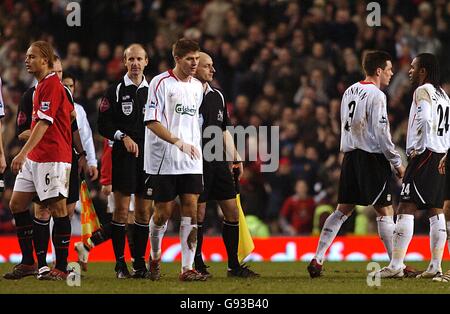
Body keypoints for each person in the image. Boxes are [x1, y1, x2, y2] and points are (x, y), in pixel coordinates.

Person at [307, 51, 405, 278]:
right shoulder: (378, 95)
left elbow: (346, 124)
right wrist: (397, 162)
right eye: (389, 69)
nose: (391, 73)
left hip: (350, 156)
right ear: (379, 70)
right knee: (385, 210)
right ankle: (396, 266)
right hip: (371, 157)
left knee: (343, 209)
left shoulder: (349, 90)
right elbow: (382, 133)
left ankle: (318, 257)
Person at [10, 57, 90, 279]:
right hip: (37, 158)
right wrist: (40, 134)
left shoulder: (60, 90)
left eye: (62, 72)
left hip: (58, 158)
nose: (60, 77)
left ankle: (60, 266)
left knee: (62, 209)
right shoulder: (30, 95)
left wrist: (82, 153)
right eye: (57, 71)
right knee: (28, 206)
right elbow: (24, 130)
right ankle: (34, 262)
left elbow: (71, 123)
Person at [4, 41, 74, 280]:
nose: (27, 60)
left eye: (32, 56)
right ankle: (28, 262)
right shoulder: (39, 86)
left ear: (45, 60)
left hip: (53, 157)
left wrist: (22, 152)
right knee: (16, 204)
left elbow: (44, 123)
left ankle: (63, 268)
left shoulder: (53, 85)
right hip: (36, 157)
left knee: (57, 208)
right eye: (26, 56)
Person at [376, 53, 450, 279]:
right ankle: (435, 266)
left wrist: (417, 146)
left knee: (405, 207)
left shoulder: (422, 91)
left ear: (423, 71)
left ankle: (396, 264)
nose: (409, 70)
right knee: (435, 210)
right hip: (441, 154)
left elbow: (425, 118)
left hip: (424, 154)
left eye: (413, 67)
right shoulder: (444, 96)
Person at [193, 52, 259, 278]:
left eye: (213, 66)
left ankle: (233, 265)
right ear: (194, 67)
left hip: (219, 161)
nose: (212, 70)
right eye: (207, 66)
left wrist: (236, 156)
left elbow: (223, 130)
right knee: (198, 213)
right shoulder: (185, 94)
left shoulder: (218, 96)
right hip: (195, 161)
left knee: (231, 211)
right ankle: (197, 263)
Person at [144, 38, 205, 281]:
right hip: (164, 158)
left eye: (197, 59)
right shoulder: (160, 83)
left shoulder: (198, 87)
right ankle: (155, 256)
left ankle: (187, 268)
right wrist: (177, 142)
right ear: (177, 59)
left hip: (191, 159)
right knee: (163, 213)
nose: (194, 63)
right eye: (190, 59)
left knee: (191, 208)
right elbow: (151, 121)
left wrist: (191, 146)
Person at [98, 43, 152, 279]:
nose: (135, 64)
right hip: (123, 157)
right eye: (131, 59)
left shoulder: (155, 91)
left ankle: (139, 264)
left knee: (143, 212)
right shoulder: (115, 90)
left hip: (149, 158)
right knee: (121, 211)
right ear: (124, 62)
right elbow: (103, 125)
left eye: (139, 59)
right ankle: (120, 265)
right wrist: (123, 136)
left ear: (146, 61)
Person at [74, 138, 137, 272]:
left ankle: (86, 246)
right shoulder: (117, 126)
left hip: (131, 174)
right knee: (128, 219)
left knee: (124, 222)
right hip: (120, 177)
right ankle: (136, 262)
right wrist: (107, 180)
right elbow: (108, 151)